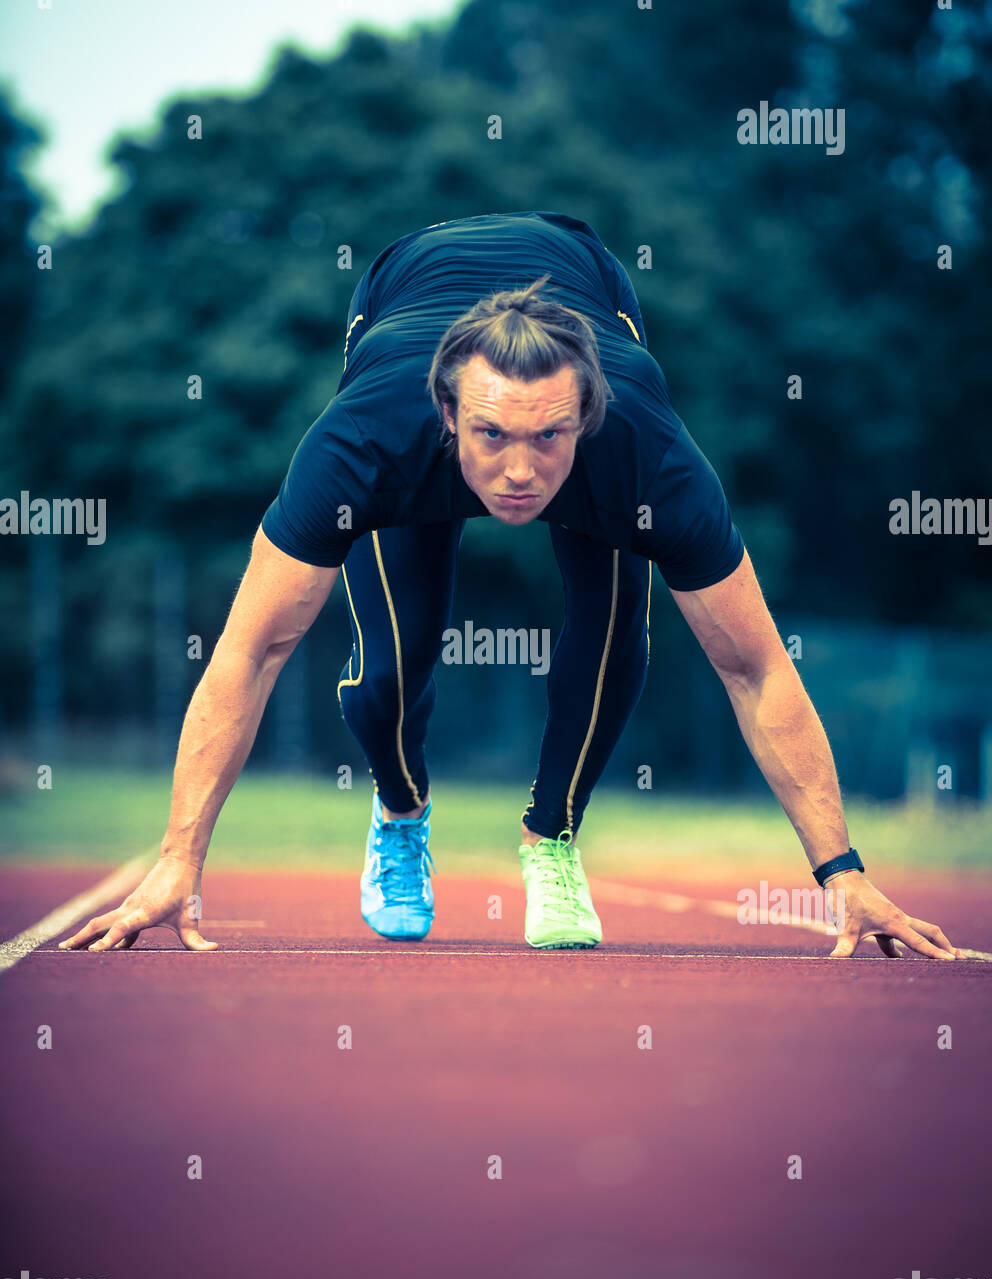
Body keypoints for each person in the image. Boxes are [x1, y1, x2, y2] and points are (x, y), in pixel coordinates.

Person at [60, 212, 958, 963]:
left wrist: (843, 871)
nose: (520, 473)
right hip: (400, 287)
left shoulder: (644, 457)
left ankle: (553, 835)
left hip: (589, 278)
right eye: (492, 437)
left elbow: (755, 668)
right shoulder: (364, 444)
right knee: (390, 670)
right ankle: (403, 810)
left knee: (613, 626)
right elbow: (253, 650)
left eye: (550, 438)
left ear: (588, 417)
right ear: (448, 415)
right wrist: (181, 858)